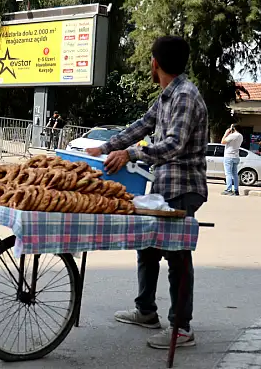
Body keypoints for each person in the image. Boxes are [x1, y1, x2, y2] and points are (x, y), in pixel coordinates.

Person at [86, 36, 208, 349]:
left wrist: (131, 155)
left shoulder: (186, 96)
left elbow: (173, 145)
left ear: (155, 63)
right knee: (149, 247)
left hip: (184, 187)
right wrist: (106, 146)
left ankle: (181, 328)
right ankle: (146, 311)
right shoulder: (167, 97)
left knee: (178, 257)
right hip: (163, 186)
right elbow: (141, 125)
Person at [221, 124, 243, 196]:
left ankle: (229, 189)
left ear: (233, 128)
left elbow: (222, 142)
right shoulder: (240, 136)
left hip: (229, 156)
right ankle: (236, 190)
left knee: (228, 174)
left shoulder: (232, 135)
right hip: (236, 156)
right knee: (235, 174)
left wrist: (226, 133)